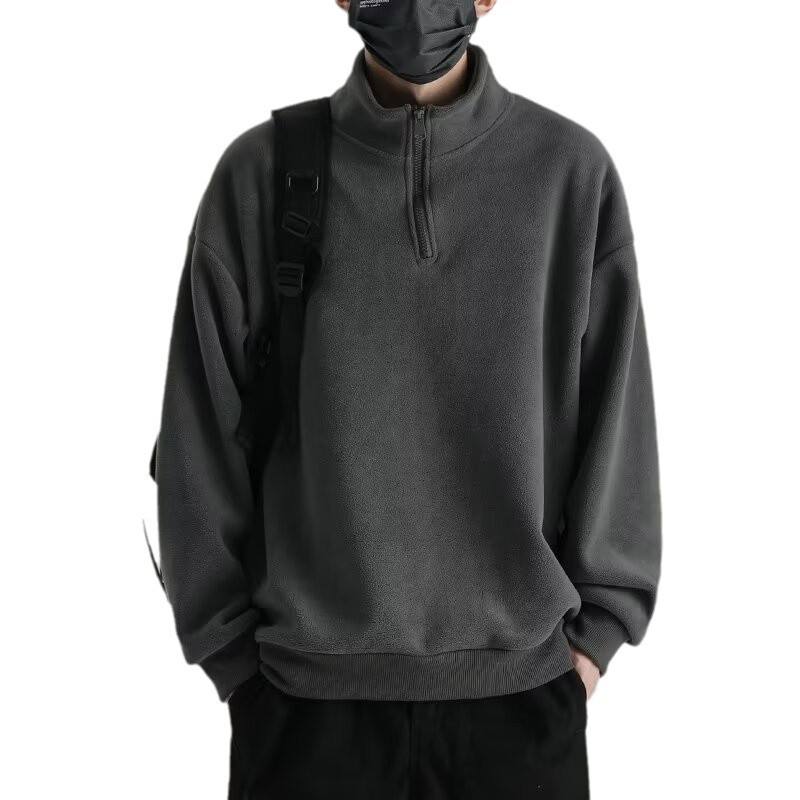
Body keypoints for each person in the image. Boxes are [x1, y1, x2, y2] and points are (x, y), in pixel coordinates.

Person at [151, 1, 662, 797]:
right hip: (305, 712)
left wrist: (592, 646)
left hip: (521, 707)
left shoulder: (569, 174)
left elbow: (618, 424)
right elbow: (197, 436)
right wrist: (233, 664)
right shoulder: (259, 176)